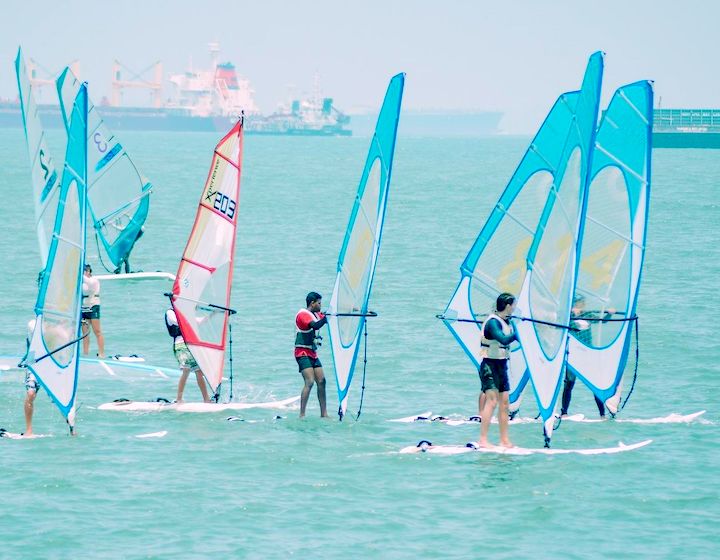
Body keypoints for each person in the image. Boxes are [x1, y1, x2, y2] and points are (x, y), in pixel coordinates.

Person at [560, 295, 615, 419]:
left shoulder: (588, 314)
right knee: (569, 383)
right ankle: (564, 412)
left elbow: (603, 321)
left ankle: (602, 414)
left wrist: (610, 314)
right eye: (580, 303)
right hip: (573, 353)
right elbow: (558, 323)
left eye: (583, 303)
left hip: (587, 353)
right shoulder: (567, 317)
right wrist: (572, 314)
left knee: (595, 382)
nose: (582, 305)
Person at [478, 292, 517, 448]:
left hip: (502, 364)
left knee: (505, 403)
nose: (515, 308)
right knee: (492, 402)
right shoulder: (493, 323)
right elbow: (503, 339)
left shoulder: (507, 321)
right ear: (508, 306)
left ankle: (504, 440)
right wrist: (519, 334)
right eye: (513, 305)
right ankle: (483, 440)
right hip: (489, 365)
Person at [165, 307, 210, 403]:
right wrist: (189, 313)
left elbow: (200, 321)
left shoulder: (185, 313)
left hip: (191, 345)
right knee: (186, 370)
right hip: (180, 345)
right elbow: (176, 321)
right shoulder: (170, 312)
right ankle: (179, 399)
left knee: (199, 372)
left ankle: (206, 399)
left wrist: (216, 314)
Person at [295, 291, 328, 418]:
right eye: (319, 303)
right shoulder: (303, 314)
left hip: (312, 353)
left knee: (322, 381)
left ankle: (324, 414)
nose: (320, 305)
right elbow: (315, 326)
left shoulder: (316, 313)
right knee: (309, 382)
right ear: (312, 303)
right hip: (302, 352)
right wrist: (326, 319)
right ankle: (302, 415)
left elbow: (327, 315)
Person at [81, 264, 105, 358]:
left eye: (86, 271)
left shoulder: (93, 280)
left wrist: (78, 272)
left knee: (97, 331)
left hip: (94, 305)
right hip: (84, 307)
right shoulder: (82, 283)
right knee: (85, 333)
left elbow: (88, 282)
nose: (86, 273)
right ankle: (85, 353)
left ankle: (101, 353)